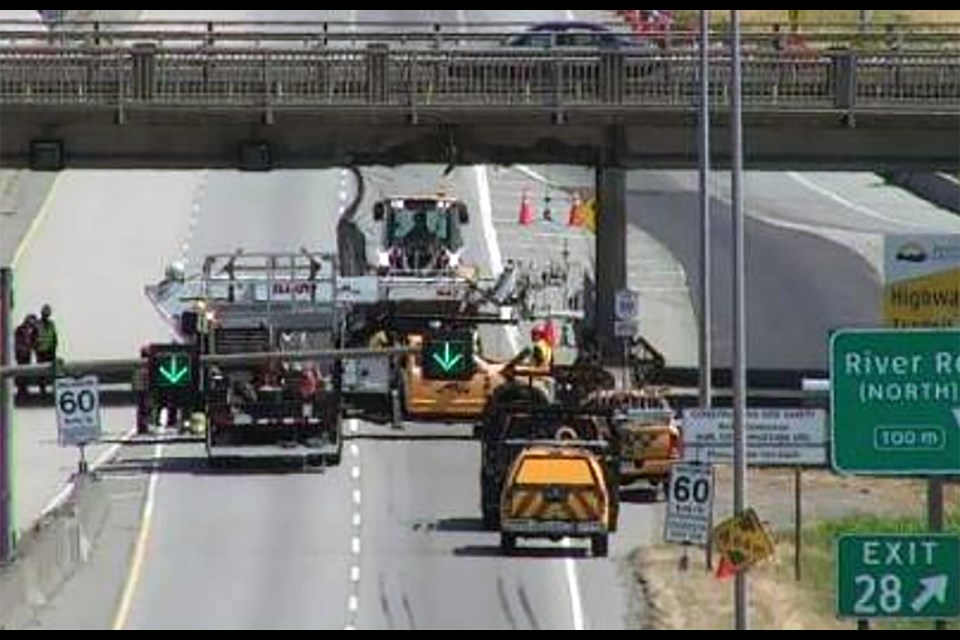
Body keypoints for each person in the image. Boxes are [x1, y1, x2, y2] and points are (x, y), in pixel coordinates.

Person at [35, 305, 58, 397]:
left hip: (50, 351)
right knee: (41, 373)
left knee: (53, 371)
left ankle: (54, 389)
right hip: (41, 352)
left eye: (48, 313)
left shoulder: (52, 324)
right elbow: (33, 337)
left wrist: (54, 348)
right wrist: (36, 348)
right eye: (45, 312)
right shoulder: (37, 324)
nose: (47, 314)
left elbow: (55, 337)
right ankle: (42, 391)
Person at [14, 315, 39, 398]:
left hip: (27, 353)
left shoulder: (33, 330)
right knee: (21, 371)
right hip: (20, 353)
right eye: (32, 321)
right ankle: (20, 390)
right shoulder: (20, 329)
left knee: (26, 372)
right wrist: (21, 349)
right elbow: (17, 341)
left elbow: (34, 341)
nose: (33, 323)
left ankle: (24, 389)